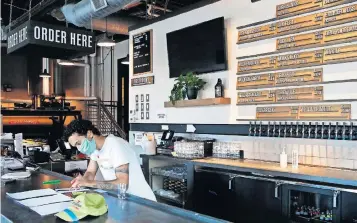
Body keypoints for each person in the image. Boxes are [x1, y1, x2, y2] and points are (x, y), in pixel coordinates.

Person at [63, 119, 156, 201]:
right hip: (123, 199)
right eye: (76, 146)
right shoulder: (94, 149)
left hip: (141, 201)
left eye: (78, 143)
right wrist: (82, 181)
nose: (79, 148)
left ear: (89, 134)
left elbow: (122, 184)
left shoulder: (115, 144)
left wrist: (89, 183)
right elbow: (90, 172)